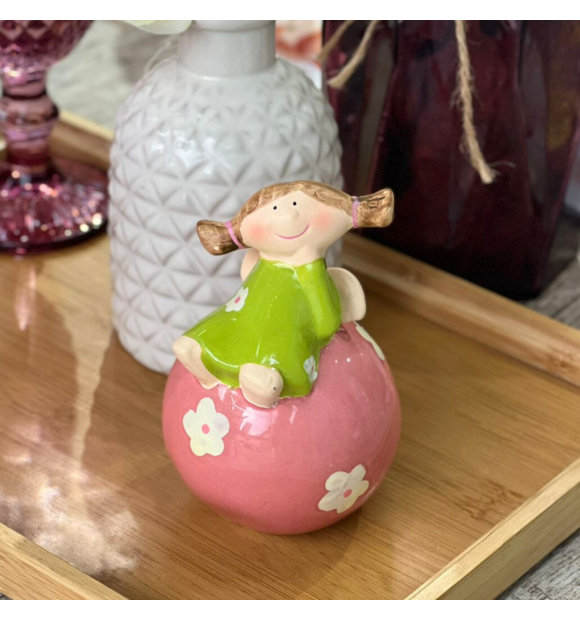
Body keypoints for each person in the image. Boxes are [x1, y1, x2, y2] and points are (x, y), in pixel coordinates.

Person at [173, 180, 394, 408]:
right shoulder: (263, 265)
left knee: (280, 347)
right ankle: (201, 354)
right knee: (225, 323)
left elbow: (325, 324)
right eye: (275, 209)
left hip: (284, 332)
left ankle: (266, 387)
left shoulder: (310, 274)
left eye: (296, 204)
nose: (287, 216)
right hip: (242, 316)